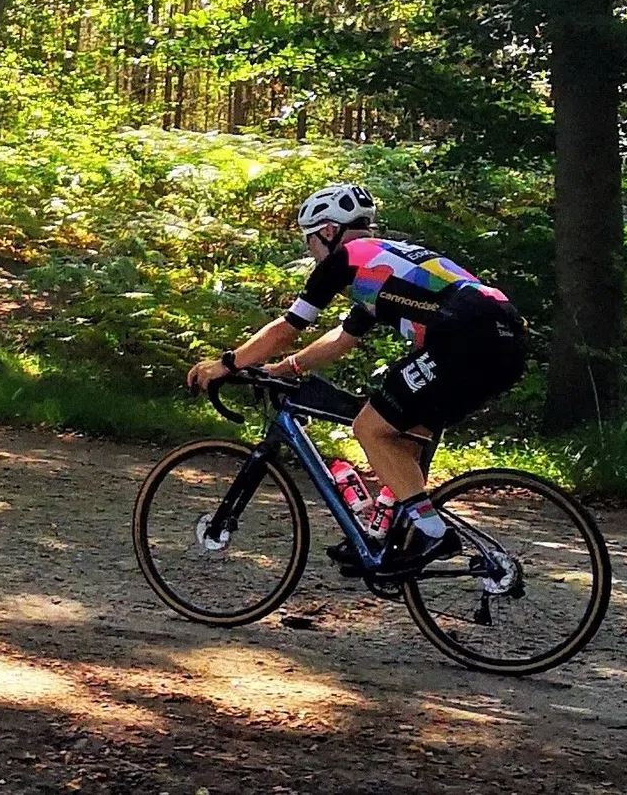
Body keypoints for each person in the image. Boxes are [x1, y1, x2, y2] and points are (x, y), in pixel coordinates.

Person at [186, 183, 527, 575]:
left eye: (309, 240)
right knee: (407, 433)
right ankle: (393, 538)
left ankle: (433, 534)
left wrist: (227, 363)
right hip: (508, 339)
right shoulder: (384, 264)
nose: (311, 251)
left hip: (465, 335)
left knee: (369, 427)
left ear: (328, 231)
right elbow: (341, 340)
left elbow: (289, 326)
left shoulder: (345, 258)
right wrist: (285, 368)